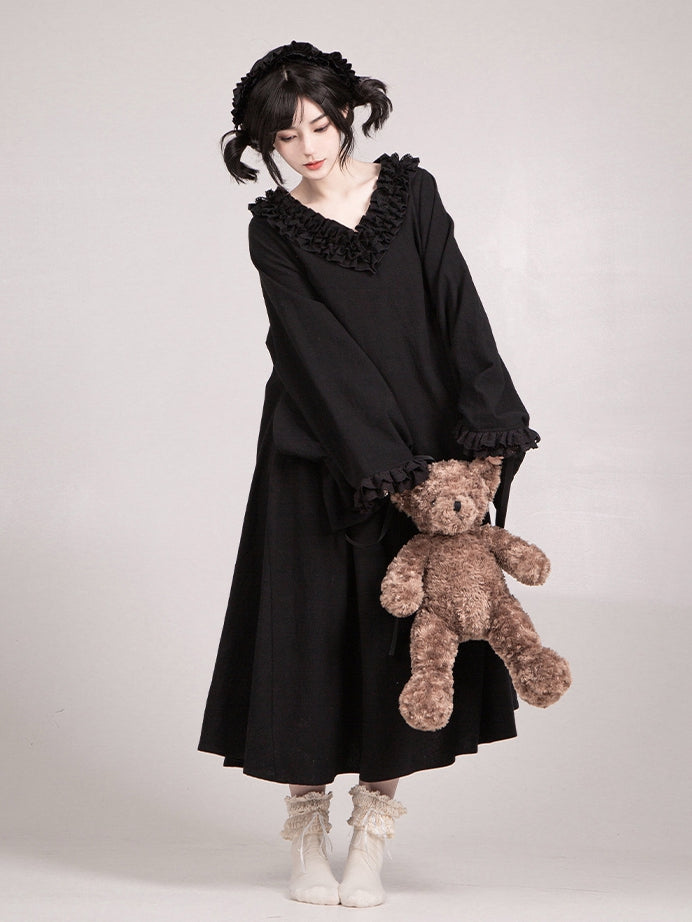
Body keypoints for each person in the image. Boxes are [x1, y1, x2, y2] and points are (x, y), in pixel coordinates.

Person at [198, 40, 541, 908]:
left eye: (319, 125)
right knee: (308, 632)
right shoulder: (273, 228)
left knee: (402, 643)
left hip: (431, 448)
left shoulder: (411, 193)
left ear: (347, 112)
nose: (307, 148)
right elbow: (311, 352)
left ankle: (372, 837)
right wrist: (385, 466)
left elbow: (459, 311)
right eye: (285, 137)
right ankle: (306, 832)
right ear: (263, 143)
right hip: (321, 453)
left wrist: (483, 441)